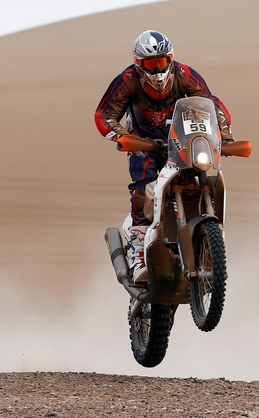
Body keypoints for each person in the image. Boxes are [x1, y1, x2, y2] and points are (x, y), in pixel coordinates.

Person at [95, 30, 234, 282]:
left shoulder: (184, 75)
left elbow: (210, 103)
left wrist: (223, 133)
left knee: (203, 175)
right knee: (146, 187)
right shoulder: (128, 80)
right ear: (139, 64)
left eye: (162, 61)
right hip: (143, 143)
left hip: (180, 140)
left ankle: (210, 243)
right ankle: (138, 250)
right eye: (151, 64)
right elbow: (104, 115)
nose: (158, 70)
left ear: (171, 59)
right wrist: (120, 136)